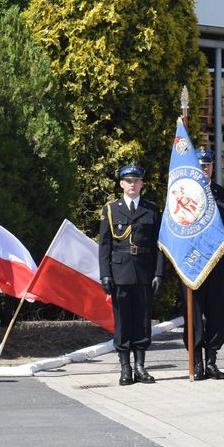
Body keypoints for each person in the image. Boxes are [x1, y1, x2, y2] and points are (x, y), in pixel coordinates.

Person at [99, 164, 164, 386]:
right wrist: (105, 275)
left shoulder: (152, 210)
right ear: (121, 184)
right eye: (128, 181)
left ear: (142, 184)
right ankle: (125, 368)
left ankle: (140, 367)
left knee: (143, 320)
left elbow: (159, 246)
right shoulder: (111, 210)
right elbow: (104, 246)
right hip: (120, 272)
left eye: (136, 181)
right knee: (123, 320)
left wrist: (158, 273)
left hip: (144, 272)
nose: (132, 185)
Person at [183, 147, 224, 380]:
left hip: (216, 265)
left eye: (207, 165)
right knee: (193, 315)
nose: (204, 169)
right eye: (200, 165)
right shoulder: (183, 194)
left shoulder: (222, 195)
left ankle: (212, 361)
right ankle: (196, 362)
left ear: (212, 168)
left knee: (216, 314)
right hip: (192, 264)